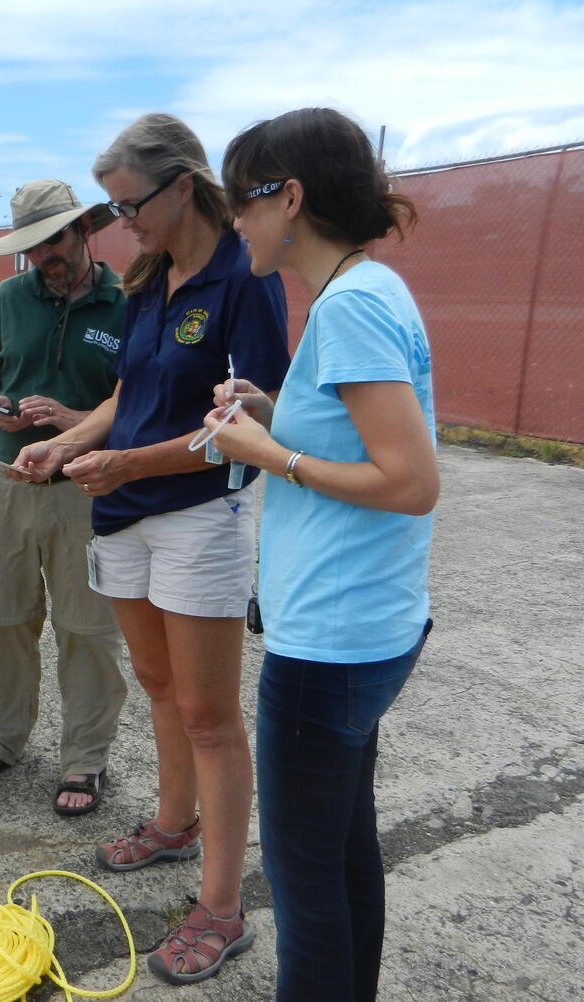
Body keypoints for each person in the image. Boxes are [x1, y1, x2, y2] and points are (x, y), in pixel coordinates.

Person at [12, 113, 290, 984]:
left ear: (180, 186)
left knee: (211, 713)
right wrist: (68, 446)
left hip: (200, 514)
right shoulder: (146, 278)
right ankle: (175, 825)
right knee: (159, 685)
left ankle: (222, 907)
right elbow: (129, 393)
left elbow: (245, 422)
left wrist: (128, 459)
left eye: (128, 202)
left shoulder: (246, 277)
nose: (118, 221)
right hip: (122, 510)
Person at [204, 107, 438, 1001]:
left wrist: (269, 455)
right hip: (365, 628)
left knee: (305, 890)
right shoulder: (367, 291)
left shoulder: (349, 308)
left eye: (242, 200)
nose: (235, 220)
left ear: (289, 197)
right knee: (343, 854)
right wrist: (272, 412)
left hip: (329, 646)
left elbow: (410, 480)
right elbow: (364, 438)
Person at [0, 179, 127, 815]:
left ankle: (85, 761)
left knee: (88, 630)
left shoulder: (127, 304)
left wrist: (69, 417)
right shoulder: (5, 300)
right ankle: (2, 740)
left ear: (86, 230)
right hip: (2, 485)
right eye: (31, 247)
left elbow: (135, 400)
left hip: (86, 490)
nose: (44, 256)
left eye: (53, 239)